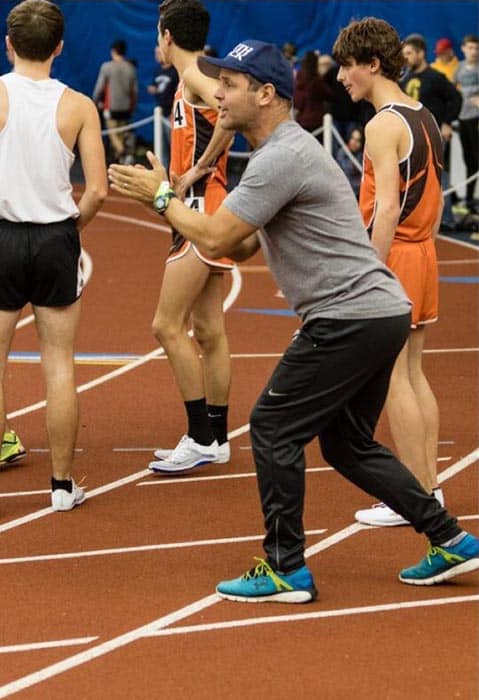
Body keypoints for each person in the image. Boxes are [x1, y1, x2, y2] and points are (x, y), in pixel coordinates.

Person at [109, 37, 479, 602]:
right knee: (347, 444)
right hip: (378, 311)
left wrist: (160, 198)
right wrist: (193, 200)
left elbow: (215, 236)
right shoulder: (279, 154)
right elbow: (244, 249)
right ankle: (448, 538)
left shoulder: (283, 156)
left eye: (229, 85)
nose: (219, 95)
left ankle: (286, 566)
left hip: (350, 315)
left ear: (266, 94)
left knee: (273, 428)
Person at [334, 20, 447, 528]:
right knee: (415, 372)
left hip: (396, 254)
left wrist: (368, 275)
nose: (340, 77)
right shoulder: (422, 115)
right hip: (422, 251)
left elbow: (385, 208)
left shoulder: (383, 125)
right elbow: (434, 200)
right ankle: (428, 488)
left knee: (396, 377)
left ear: (372, 64)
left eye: (346, 65)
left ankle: (416, 500)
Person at [0, 0, 107, 510]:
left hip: (1, 236)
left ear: (9, 43)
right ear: (60, 47)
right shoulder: (79, 105)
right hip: (54, 239)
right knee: (59, 364)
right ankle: (63, 487)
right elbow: (99, 191)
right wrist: (69, 228)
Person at [145, 0, 234, 474]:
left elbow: (228, 112)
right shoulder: (195, 76)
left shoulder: (197, 73)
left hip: (201, 207)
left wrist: (197, 168)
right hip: (207, 203)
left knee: (166, 325)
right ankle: (217, 436)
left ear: (166, 36)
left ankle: (200, 436)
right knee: (209, 330)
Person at [401, 34, 462, 231]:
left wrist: (447, 123)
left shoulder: (435, 77)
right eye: (404, 54)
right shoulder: (405, 78)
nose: (406, 57)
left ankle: (446, 219)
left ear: (421, 53)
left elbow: (456, 98)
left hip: (433, 134)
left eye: (410, 53)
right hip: (411, 136)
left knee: (438, 176)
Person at [93, 39, 138, 163]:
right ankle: (123, 157)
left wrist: (95, 102)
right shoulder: (131, 68)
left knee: (113, 135)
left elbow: (99, 87)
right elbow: (134, 91)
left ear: (113, 51)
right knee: (122, 135)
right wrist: (132, 107)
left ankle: (122, 152)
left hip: (111, 108)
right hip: (126, 108)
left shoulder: (107, 67)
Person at [454, 34, 479, 213]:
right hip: (463, 118)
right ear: (463, 48)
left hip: (476, 119)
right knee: (468, 160)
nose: (474, 52)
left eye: (476, 48)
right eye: (470, 48)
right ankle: (469, 200)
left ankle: (472, 199)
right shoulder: (460, 67)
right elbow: (453, 87)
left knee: (477, 160)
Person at [147, 45, 178, 168]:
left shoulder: (175, 71)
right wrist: (154, 90)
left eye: (159, 53)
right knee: (161, 149)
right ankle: (163, 180)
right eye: (156, 53)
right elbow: (158, 87)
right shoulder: (158, 71)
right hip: (160, 113)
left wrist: (174, 112)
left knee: (175, 149)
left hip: (172, 115)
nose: (157, 56)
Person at [293, 50, 332, 136]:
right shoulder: (316, 80)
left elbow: (297, 102)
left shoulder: (299, 80)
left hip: (301, 120)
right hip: (316, 120)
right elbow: (329, 94)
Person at [335, 126, 363, 198]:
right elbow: (348, 169)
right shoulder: (342, 152)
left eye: (358, 140)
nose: (354, 142)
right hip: (342, 193)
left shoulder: (361, 156)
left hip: (357, 195)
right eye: (352, 138)